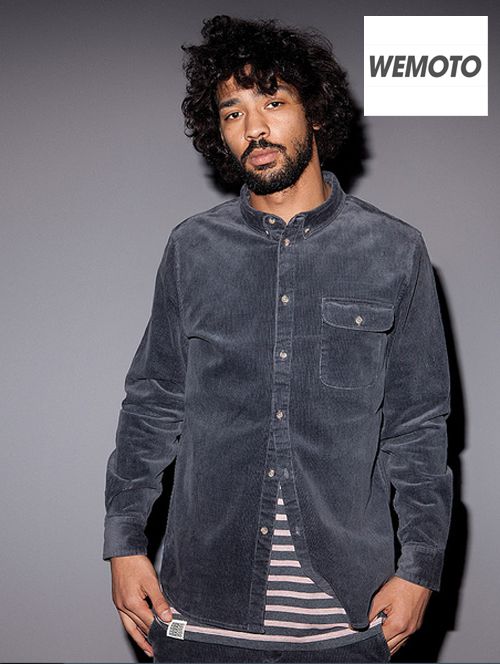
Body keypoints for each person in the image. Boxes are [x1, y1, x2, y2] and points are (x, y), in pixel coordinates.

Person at [103, 15, 453, 663]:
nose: (254, 128)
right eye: (232, 112)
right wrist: (124, 544)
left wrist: (421, 568)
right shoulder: (192, 248)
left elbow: (418, 427)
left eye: (272, 102)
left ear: (314, 112)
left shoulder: (396, 251)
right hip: (200, 615)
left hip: (348, 623)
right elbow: (152, 403)